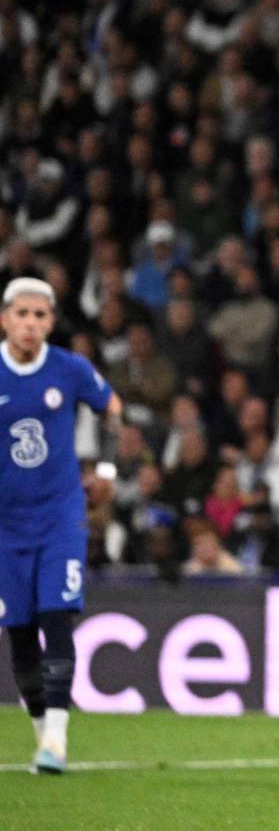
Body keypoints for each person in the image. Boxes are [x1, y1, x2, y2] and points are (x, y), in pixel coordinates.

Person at [0, 276, 122, 775]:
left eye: (40, 315)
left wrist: (109, 470)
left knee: (56, 616)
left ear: (51, 322)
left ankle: (57, 736)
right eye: (21, 314)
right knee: (21, 633)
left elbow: (112, 409)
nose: (30, 324)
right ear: (5, 319)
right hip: (7, 527)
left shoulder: (69, 368)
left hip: (60, 516)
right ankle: (43, 739)